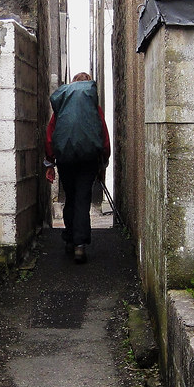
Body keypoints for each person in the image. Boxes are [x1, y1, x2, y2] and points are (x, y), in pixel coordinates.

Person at [44, 72, 111, 263]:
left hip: (66, 159)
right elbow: (103, 135)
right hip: (88, 160)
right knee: (83, 198)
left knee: (71, 198)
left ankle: (70, 239)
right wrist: (103, 161)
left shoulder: (62, 106)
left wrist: (49, 162)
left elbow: (51, 135)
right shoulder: (93, 108)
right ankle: (80, 245)